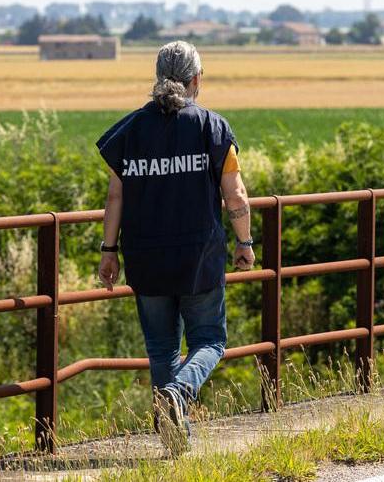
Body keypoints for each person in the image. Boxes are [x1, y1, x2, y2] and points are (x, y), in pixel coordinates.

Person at [95, 40, 255, 455]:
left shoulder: (128, 132)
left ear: (157, 76)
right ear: (196, 79)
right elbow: (235, 196)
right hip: (198, 258)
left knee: (162, 348)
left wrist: (108, 250)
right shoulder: (213, 129)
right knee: (210, 341)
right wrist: (245, 242)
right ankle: (180, 393)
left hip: (145, 257)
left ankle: (175, 439)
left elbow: (116, 197)